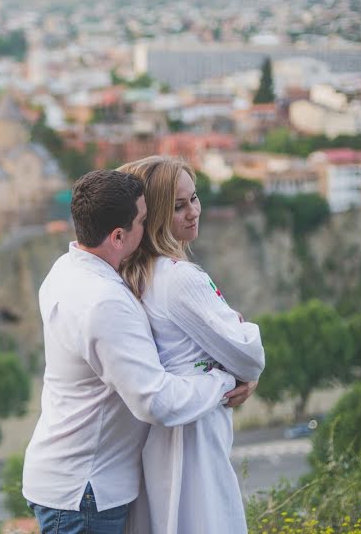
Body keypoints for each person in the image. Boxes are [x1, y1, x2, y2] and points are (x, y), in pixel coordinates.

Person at [22, 169, 246, 534]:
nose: (150, 228)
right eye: (143, 220)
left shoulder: (66, 269)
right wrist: (223, 380)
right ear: (117, 236)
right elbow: (156, 401)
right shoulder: (105, 302)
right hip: (86, 492)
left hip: (64, 478)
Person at [119, 156, 265, 534]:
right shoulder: (181, 279)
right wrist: (240, 333)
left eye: (194, 199)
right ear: (154, 217)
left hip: (166, 433)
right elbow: (249, 357)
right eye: (178, 206)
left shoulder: (139, 275)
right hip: (195, 429)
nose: (193, 212)